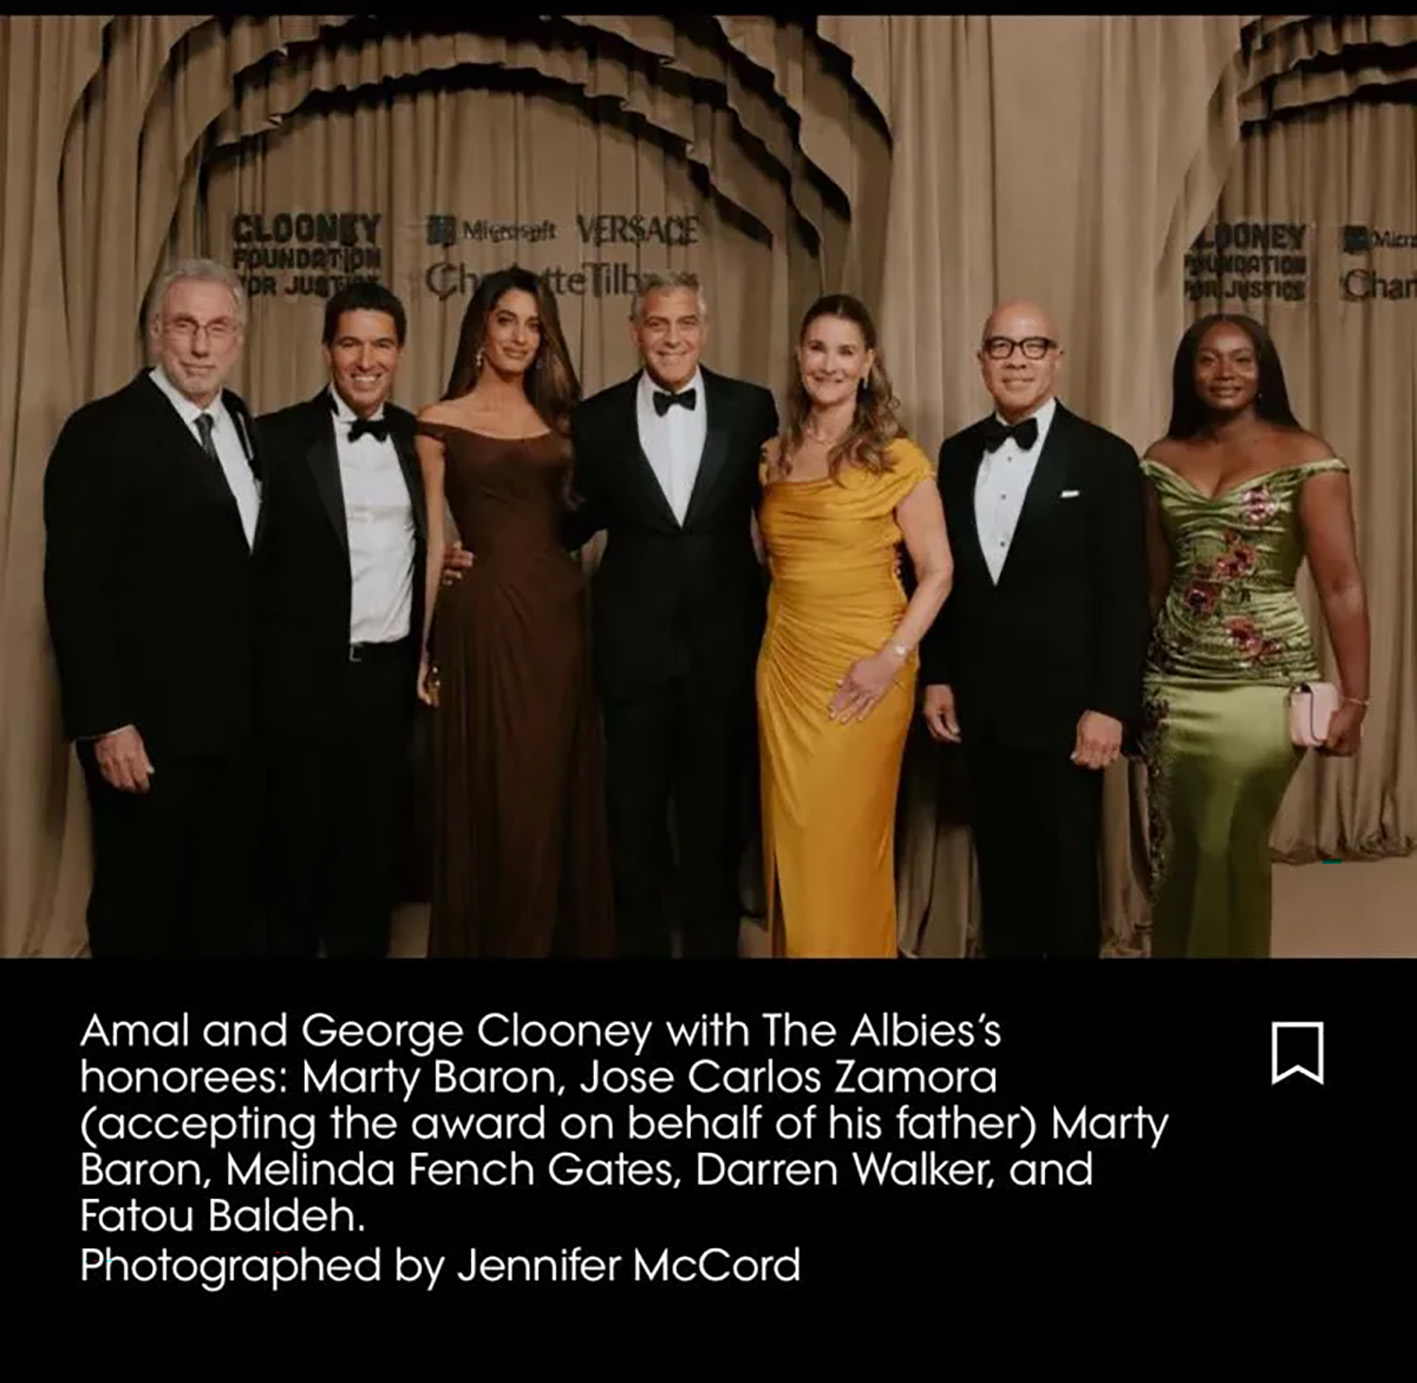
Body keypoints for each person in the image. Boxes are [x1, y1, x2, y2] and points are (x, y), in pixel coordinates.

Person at [43, 258, 265, 958]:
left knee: (218, 915)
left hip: (235, 731)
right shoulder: (101, 431)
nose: (201, 346)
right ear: (154, 334)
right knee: (138, 915)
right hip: (145, 736)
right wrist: (106, 722)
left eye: (217, 328)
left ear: (237, 339)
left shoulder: (238, 420)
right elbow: (74, 587)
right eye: (184, 326)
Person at [919, 299, 1151, 959]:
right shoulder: (956, 452)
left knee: (1066, 881)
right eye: (1001, 346)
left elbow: (1123, 595)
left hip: (1066, 709)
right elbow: (941, 575)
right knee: (1001, 877)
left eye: (1031, 346)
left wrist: (1109, 706)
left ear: (1055, 357)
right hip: (981, 707)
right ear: (981, 360)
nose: (1015, 360)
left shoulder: (1104, 456)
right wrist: (937, 673)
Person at [1138, 313, 1370, 958]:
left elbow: (1342, 585)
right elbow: (1152, 588)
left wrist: (1357, 697)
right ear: (1189, 372)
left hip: (1264, 686)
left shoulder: (1308, 457)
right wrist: (1123, 685)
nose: (1225, 373)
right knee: (1179, 850)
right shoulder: (1161, 460)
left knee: (1226, 843)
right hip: (1171, 688)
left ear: (1264, 372)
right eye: (1209, 360)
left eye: (1242, 359)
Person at [564, 270, 780, 959]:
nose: (671, 336)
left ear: (704, 329)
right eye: (657, 323)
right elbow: (569, 522)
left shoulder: (753, 409)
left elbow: (783, 517)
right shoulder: (594, 419)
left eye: (685, 322)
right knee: (631, 819)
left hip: (724, 646)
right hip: (632, 652)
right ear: (634, 332)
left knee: (715, 819)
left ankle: (712, 948)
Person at [414, 266, 614, 957]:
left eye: (534, 324)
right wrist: (425, 646)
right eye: (507, 320)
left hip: (558, 622)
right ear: (481, 327)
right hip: (483, 621)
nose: (521, 336)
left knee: (546, 794)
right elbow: (433, 534)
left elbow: (588, 512)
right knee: (495, 798)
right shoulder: (437, 421)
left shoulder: (566, 422)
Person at [757, 295, 952, 958]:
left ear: (867, 364)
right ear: (798, 356)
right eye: (817, 348)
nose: (829, 364)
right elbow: (772, 562)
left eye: (845, 352)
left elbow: (938, 571)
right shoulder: (772, 457)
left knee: (840, 835)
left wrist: (891, 657)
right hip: (784, 667)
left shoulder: (897, 460)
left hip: (867, 668)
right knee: (795, 837)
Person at [253, 282, 426, 959]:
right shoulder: (273, 437)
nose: (365, 359)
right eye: (350, 342)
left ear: (399, 353)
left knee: (370, 860)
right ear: (326, 349)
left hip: (386, 684)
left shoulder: (421, 439)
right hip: (300, 681)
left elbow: (435, 543)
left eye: (381, 343)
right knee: (293, 859)